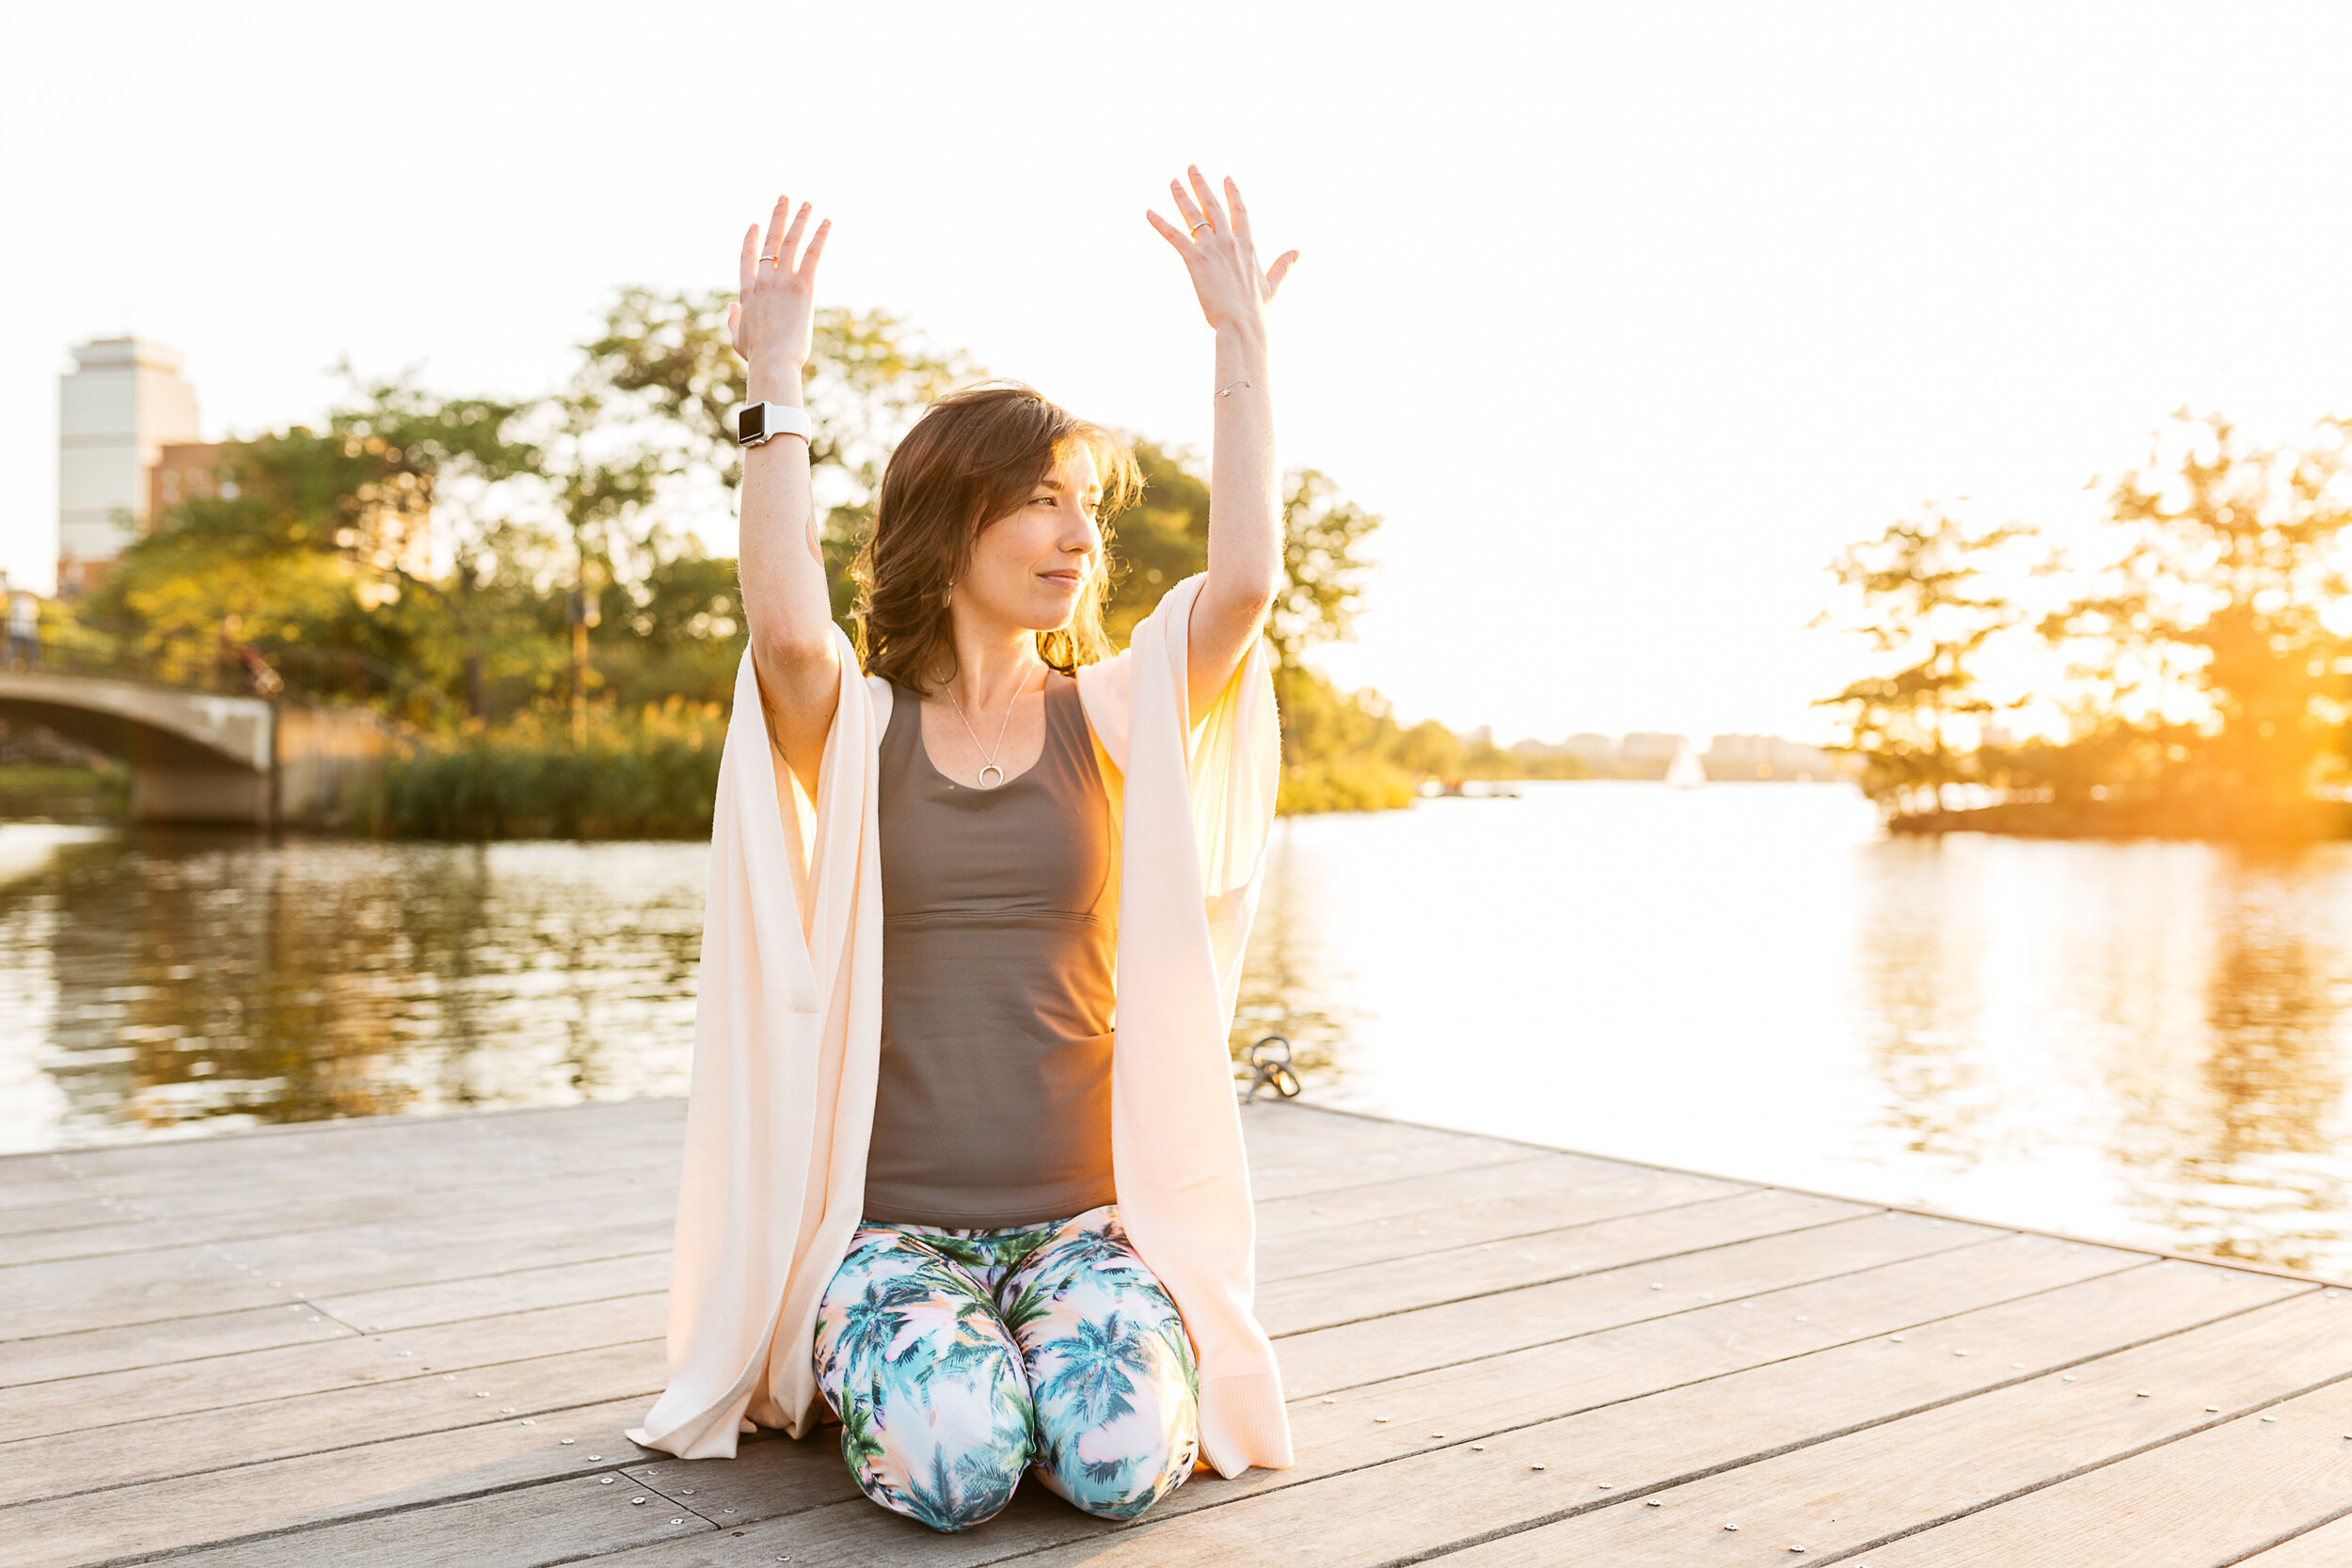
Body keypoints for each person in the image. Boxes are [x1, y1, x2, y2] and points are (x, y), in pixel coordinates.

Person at [627, 171, 1302, 1532]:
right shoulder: (859, 726)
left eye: (1088, 508)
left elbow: (1241, 585)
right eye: (1043, 502)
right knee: (957, 1473)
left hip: (1085, 1229)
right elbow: (784, 630)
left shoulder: (1116, 714)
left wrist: (1242, 343)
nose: (1078, 533)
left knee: (1112, 1468)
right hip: (892, 1236)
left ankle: (1021, 1365)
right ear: (954, 523)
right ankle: (911, 1365)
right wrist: (775, 383)